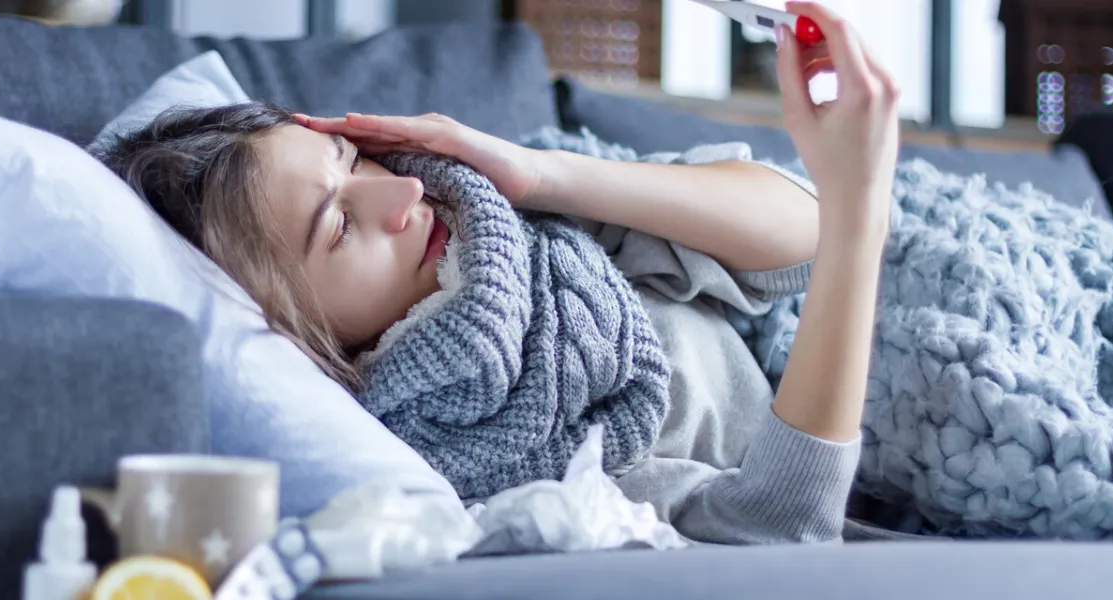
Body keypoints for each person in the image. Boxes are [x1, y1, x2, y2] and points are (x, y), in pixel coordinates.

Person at [97, 1, 903, 544]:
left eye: (351, 159)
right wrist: (859, 205)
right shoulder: (490, 460)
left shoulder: (504, 218)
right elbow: (780, 533)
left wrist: (543, 176)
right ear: (285, 328)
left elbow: (803, 234)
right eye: (339, 224)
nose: (402, 191)